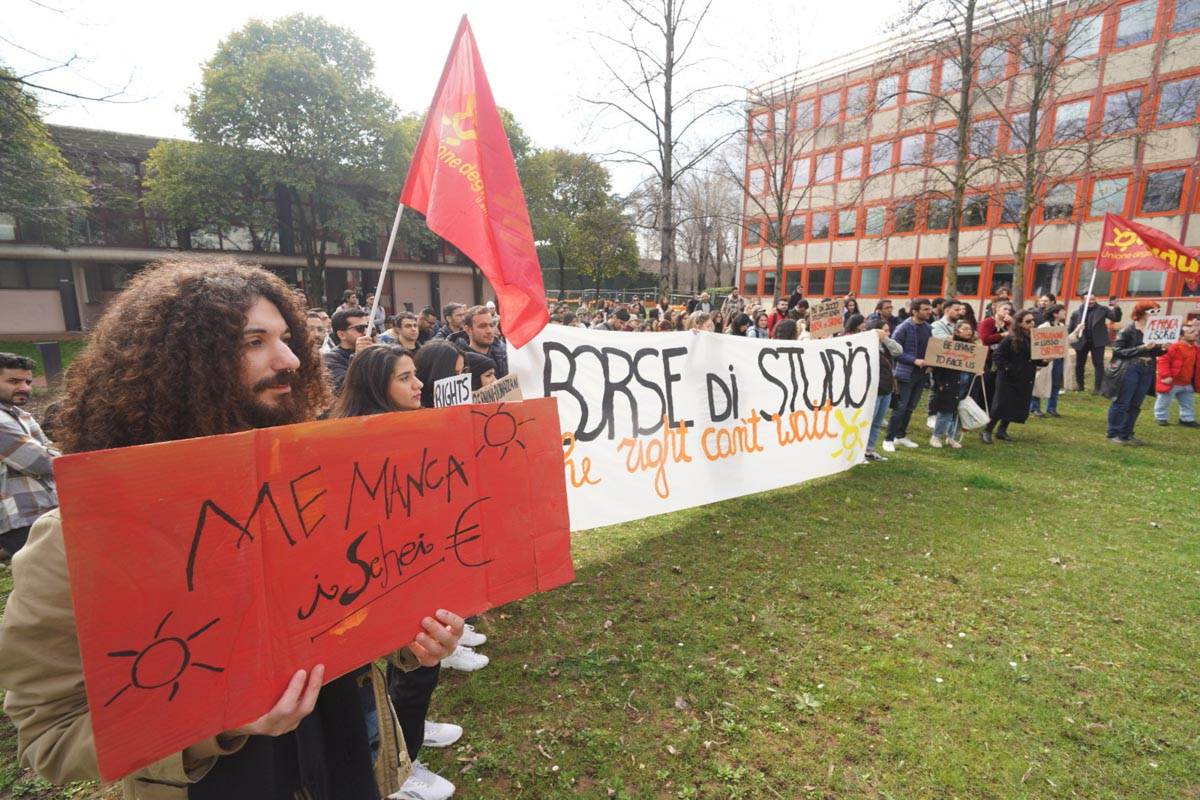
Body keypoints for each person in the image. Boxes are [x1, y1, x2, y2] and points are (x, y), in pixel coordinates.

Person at [0, 261, 464, 800]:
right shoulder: (81, 538)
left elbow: (356, 610)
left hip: (351, 766)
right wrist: (219, 725)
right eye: (254, 341)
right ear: (177, 364)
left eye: (287, 338)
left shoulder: (327, 488)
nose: (290, 359)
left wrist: (410, 637)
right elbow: (51, 735)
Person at [0, 353, 58, 559]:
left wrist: (50, 452)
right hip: (19, 519)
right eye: (13, 381)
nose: (24, 387)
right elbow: (41, 462)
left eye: (28, 381)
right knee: (47, 580)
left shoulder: (22, 415)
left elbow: (51, 453)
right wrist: (52, 453)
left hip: (43, 512)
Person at [1106, 300, 1168, 445]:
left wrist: (1163, 349)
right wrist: (1142, 348)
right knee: (1122, 402)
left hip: (1147, 368)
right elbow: (1118, 350)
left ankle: (1127, 433)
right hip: (1130, 368)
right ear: (1141, 312)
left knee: (1136, 403)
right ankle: (1113, 433)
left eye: (1158, 311)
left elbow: (1155, 352)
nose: (1156, 314)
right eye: (1152, 311)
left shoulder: (1155, 330)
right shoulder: (1128, 330)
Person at [981, 310, 1045, 443]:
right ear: (1020, 323)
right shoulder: (1011, 337)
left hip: (1025, 376)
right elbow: (997, 356)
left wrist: (1045, 361)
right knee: (1001, 405)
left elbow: (1035, 359)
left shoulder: (1034, 339)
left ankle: (1002, 430)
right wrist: (1009, 369)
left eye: (1033, 320)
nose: (1032, 323)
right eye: (1028, 321)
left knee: (1016, 404)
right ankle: (987, 430)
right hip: (1008, 378)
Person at [883, 298, 934, 452]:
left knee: (911, 407)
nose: (929, 312)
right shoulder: (902, 328)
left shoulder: (928, 328)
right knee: (901, 407)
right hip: (905, 374)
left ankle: (901, 435)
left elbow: (931, 348)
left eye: (929, 309)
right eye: (925, 309)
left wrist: (931, 362)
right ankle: (888, 439)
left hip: (922, 374)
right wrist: (914, 360)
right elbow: (895, 352)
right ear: (915, 311)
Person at [929, 320, 976, 449]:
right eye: (965, 328)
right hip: (949, 383)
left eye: (970, 329)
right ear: (957, 331)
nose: (968, 331)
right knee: (945, 412)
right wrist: (939, 383)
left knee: (960, 412)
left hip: (966, 384)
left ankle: (952, 437)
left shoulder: (975, 348)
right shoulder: (948, 345)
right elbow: (938, 367)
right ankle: (936, 436)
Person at [1068, 294, 1123, 392]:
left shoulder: (1103, 309)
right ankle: (1080, 386)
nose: (1091, 301)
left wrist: (1116, 308)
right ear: (1082, 301)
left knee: (1098, 364)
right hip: (1081, 341)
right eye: (1089, 300)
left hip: (1097, 342)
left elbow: (1115, 318)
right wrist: (1071, 339)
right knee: (1080, 364)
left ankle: (1098, 388)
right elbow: (1071, 328)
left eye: (1093, 299)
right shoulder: (1076, 313)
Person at [863, 320, 900, 462]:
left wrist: (885, 338)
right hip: (873, 390)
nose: (888, 333)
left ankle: (869, 450)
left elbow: (898, 350)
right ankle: (858, 452)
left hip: (886, 388)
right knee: (867, 421)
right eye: (885, 331)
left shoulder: (886, 345)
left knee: (877, 422)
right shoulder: (866, 345)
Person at [1154, 320, 1199, 427]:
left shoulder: (1196, 349)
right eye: (1191, 332)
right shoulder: (1173, 347)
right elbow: (1162, 361)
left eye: (1195, 331)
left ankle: (1187, 419)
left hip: (1187, 383)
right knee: (1164, 401)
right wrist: (1166, 376)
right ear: (1182, 336)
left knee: (1188, 403)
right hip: (1172, 382)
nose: (1196, 333)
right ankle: (1161, 417)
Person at [323, 307, 373, 395]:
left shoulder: (373, 353)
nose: (365, 332)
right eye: (360, 328)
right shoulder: (331, 358)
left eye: (367, 327)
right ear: (341, 334)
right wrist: (358, 357)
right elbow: (343, 388)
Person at [1030, 303, 1068, 418]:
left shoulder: (1062, 326)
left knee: (1055, 384)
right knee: (1039, 382)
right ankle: (1035, 407)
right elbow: (1037, 344)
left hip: (1058, 359)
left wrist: (1077, 331)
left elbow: (1065, 341)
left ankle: (1051, 408)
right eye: (1062, 311)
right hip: (1045, 360)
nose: (1065, 313)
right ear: (1055, 314)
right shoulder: (1044, 327)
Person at [454, 306, 509, 378]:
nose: (489, 331)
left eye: (491, 325)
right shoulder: (459, 362)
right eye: (482, 326)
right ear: (468, 330)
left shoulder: (504, 353)